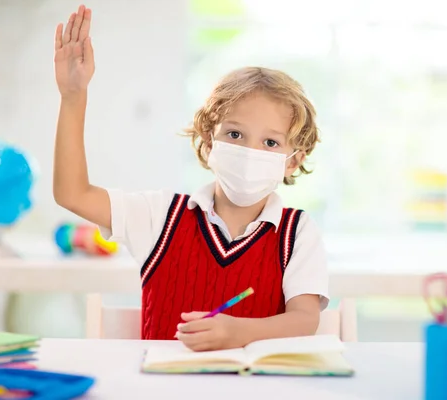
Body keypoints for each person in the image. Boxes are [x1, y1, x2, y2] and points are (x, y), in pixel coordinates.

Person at [53, 5, 329, 351]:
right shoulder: (160, 217)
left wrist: (239, 333)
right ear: (209, 140)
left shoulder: (298, 233)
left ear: (293, 161)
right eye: (235, 134)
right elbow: (72, 193)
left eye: (270, 142)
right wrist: (73, 97)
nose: (249, 151)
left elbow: (305, 320)